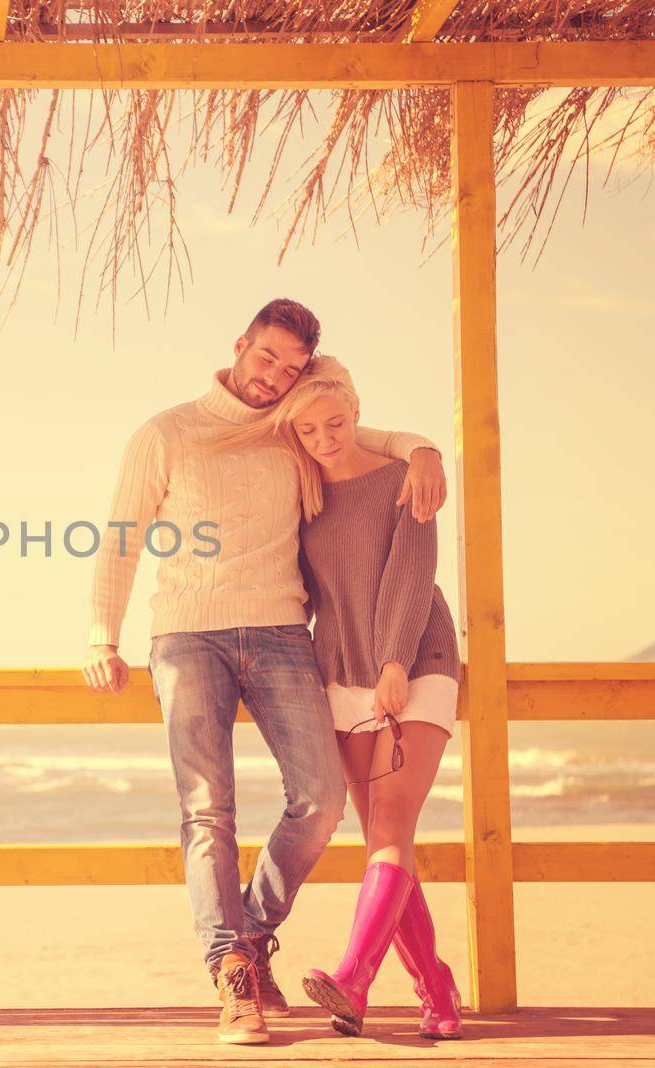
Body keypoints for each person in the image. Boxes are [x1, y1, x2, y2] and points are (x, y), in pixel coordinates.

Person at [80, 298, 447, 1045]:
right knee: (207, 808)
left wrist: (427, 450)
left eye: (290, 367)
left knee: (320, 799)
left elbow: (372, 431)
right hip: (187, 635)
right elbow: (122, 536)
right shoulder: (166, 433)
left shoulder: (293, 429)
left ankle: (246, 936)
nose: (273, 376)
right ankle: (235, 972)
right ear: (240, 344)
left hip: (283, 632)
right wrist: (101, 636)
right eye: (265, 357)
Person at [275, 368, 464, 1040]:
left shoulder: (400, 477)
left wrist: (394, 666)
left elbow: (414, 575)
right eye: (307, 428)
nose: (324, 437)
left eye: (336, 421)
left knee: (390, 824)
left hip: (418, 662)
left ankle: (353, 978)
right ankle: (436, 991)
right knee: (388, 840)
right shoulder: (298, 497)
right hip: (340, 673)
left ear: (357, 412)